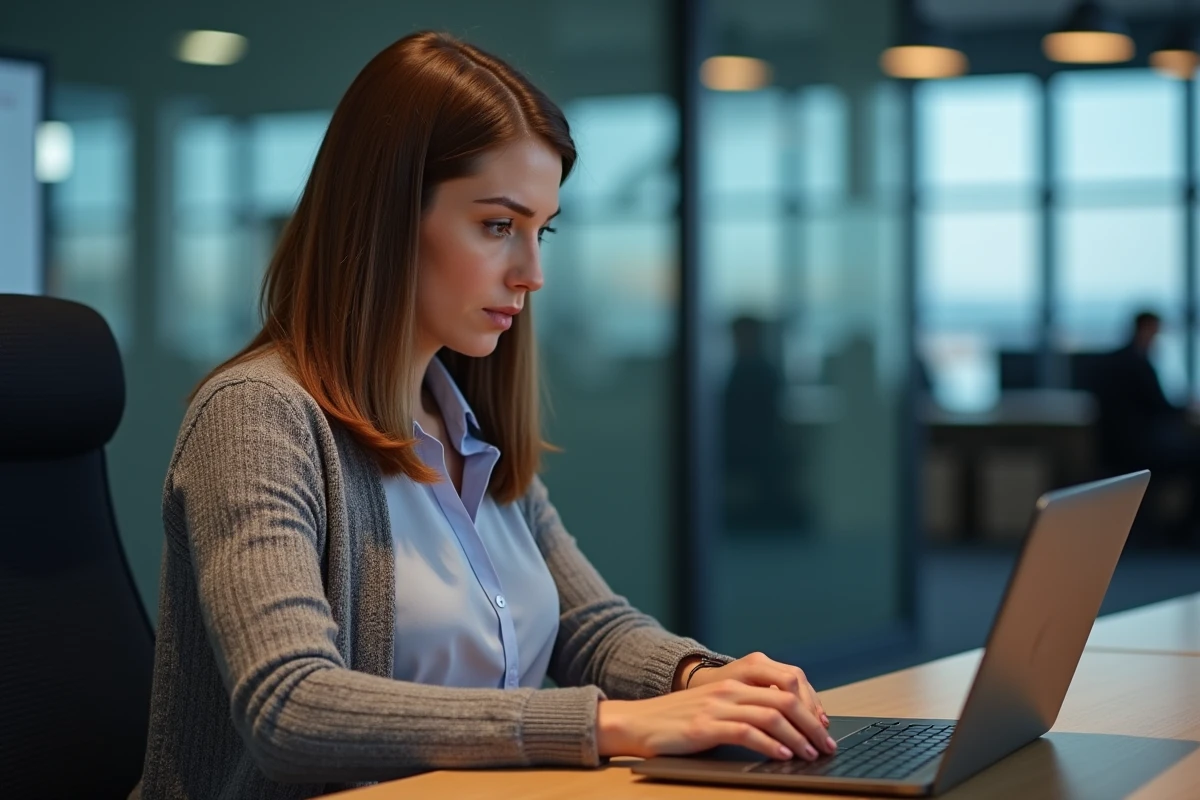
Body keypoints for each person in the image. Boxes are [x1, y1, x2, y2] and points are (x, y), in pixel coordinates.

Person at [134, 32, 835, 800]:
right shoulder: (257, 417)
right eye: (499, 226)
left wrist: (708, 680)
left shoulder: (460, 417)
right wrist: (608, 726)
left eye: (543, 230)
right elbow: (292, 707)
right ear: (388, 216)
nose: (532, 274)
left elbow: (587, 627)